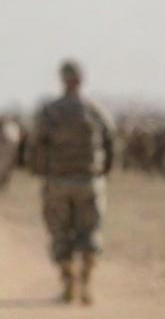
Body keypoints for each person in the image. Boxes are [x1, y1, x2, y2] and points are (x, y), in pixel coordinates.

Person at [27, 60, 115, 305]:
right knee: (90, 233)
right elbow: (112, 143)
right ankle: (86, 285)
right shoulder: (95, 111)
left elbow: (35, 145)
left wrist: (39, 172)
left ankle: (69, 285)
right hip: (90, 181)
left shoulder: (50, 112)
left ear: (62, 80)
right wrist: (103, 173)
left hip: (58, 182)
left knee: (60, 233)